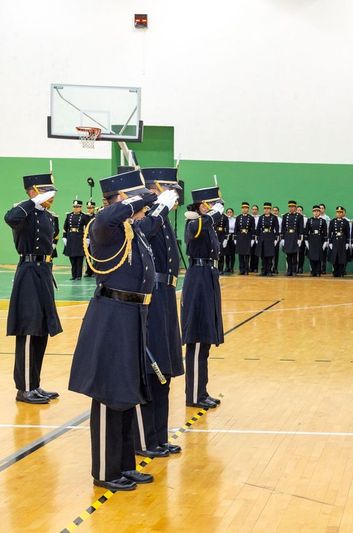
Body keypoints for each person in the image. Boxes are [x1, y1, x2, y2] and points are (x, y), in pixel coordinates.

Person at [69, 169, 176, 491]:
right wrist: (146, 196)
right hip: (111, 318)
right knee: (108, 393)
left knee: (127, 392)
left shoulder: (132, 228)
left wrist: (162, 203)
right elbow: (111, 215)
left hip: (133, 317)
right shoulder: (105, 227)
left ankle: (125, 465)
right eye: (137, 201)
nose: (144, 209)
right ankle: (105, 471)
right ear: (124, 200)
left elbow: (152, 221)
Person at [134, 168, 184, 459]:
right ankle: (144, 439)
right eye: (169, 188)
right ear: (155, 187)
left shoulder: (161, 215)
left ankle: (159, 437)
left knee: (164, 370)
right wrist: (159, 206)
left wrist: (163, 208)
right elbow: (143, 230)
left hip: (165, 296)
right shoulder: (145, 214)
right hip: (151, 296)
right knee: (150, 369)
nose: (175, 194)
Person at [4, 172, 62, 404]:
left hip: (44, 273)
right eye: (45, 193)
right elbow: (10, 218)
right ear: (33, 191)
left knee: (41, 330)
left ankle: (35, 384)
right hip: (28, 272)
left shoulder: (49, 216)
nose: (51, 197)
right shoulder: (22, 212)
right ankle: (25, 388)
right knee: (28, 330)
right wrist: (33, 202)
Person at [182, 185, 226, 408]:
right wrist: (214, 213)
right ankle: (194, 396)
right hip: (198, 278)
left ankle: (202, 391)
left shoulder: (206, 223)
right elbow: (199, 226)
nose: (213, 207)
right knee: (198, 337)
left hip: (208, 276)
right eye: (210, 204)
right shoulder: (194, 223)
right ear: (201, 206)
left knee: (205, 339)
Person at [64, 199, 88, 280]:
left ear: (81, 207)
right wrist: (64, 237)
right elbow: (65, 228)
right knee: (72, 258)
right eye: (74, 207)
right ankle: (73, 275)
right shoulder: (69, 216)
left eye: (77, 207)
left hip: (79, 238)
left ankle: (78, 275)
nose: (75, 208)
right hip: (71, 237)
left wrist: (87, 239)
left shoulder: (84, 216)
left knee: (79, 258)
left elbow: (87, 228)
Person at [281, 200, 304, 276]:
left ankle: (294, 271)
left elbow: (301, 228)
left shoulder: (299, 216)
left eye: (293, 207)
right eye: (290, 207)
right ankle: (289, 270)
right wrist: (283, 238)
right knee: (288, 255)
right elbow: (283, 227)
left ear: (295, 207)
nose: (291, 208)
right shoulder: (285, 216)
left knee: (294, 255)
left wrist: (300, 239)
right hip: (287, 236)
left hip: (295, 236)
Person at [256, 202, 280, 276]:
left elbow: (277, 228)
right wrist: (256, 238)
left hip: (270, 237)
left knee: (270, 255)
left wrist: (276, 239)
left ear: (270, 209)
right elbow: (258, 228)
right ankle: (263, 270)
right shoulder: (261, 217)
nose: (266, 210)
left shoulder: (274, 217)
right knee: (263, 255)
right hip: (262, 237)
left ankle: (269, 270)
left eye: (268, 208)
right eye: (265, 208)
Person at [305, 205, 327, 276]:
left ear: (320, 212)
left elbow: (325, 232)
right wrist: (306, 241)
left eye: (317, 211)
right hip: (311, 239)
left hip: (320, 239)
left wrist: (325, 241)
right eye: (315, 211)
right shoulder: (309, 220)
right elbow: (306, 231)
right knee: (311, 256)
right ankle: (313, 271)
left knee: (318, 256)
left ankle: (318, 271)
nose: (316, 212)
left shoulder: (323, 221)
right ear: (313, 212)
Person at [329, 206, 350, 277]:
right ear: (336, 213)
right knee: (335, 257)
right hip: (334, 240)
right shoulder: (332, 221)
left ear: (343, 213)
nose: (339, 214)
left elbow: (347, 233)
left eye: (341, 212)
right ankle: (335, 271)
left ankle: (341, 271)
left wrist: (347, 242)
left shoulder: (346, 222)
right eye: (338, 212)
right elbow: (330, 233)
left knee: (342, 257)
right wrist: (330, 242)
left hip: (342, 241)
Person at [234, 202, 254, 275]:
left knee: (247, 255)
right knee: (240, 255)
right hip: (240, 237)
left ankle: (246, 270)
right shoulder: (238, 217)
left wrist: (252, 239)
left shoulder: (251, 218)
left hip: (247, 237)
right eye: (243, 208)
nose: (244, 209)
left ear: (248, 209)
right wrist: (235, 238)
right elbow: (236, 228)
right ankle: (241, 270)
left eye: (246, 208)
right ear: (241, 209)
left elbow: (252, 229)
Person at [83, 199, 96, 278]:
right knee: (87, 256)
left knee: (94, 256)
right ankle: (88, 271)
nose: (89, 209)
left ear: (94, 208)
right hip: (87, 238)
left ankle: (94, 271)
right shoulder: (84, 217)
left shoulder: (96, 216)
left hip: (94, 238)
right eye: (88, 208)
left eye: (91, 208)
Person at [222, 207, 236, 274]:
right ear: (226, 213)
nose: (229, 213)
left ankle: (232, 267)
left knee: (232, 253)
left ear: (233, 213)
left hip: (232, 237)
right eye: (228, 212)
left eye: (230, 212)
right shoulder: (225, 219)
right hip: (226, 237)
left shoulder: (235, 220)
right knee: (226, 253)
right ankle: (227, 267)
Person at [319, 203, 331, 274]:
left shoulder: (327, 218)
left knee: (324, 254)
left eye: (322, 208)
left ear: (324, 209)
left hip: (324, 238)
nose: (321, 209)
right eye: (320, 208)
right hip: (317, 238)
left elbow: (329, 229)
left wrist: (327, 239)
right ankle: (317, 268)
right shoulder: (315, 217)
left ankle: (323, 269)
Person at [249, 204, 261, 273]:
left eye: (256, 209)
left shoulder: (260, 217)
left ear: (258, 210)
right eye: (253, 209)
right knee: (251, 252)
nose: (254, 211)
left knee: (257, 252)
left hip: (258, 236)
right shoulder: (249, 217)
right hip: (250, 236)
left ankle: (256, 267)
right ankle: (251, 267)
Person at [271, 206, 281, 274]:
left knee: (276, 253)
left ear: (278, 212)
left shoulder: (280, 219)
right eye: (274, 210)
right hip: (270, 236)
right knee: (269, 253)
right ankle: (270, 268)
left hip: (277, 236)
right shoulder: (270, 218)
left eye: (276, 210)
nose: (275, 212)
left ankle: (275, 268)